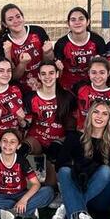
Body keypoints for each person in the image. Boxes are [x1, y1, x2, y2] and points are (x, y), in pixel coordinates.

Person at [53, 101, 110, 219]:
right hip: (78, 186)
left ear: (109, 120)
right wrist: (78, 168)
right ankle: (82, 215)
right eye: (96, 112)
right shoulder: (74, 137)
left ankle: (68, 207)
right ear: (89, 115)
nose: (99, 116)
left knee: (106, 172)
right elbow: (59, 164)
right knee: (64, 170)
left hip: (101, 198)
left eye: (104, 114)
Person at [0, 129, 55, 219]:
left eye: (12, 142)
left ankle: (12, 212)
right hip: (1, 197)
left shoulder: (21, 161)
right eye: (4, 141)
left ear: (18, 146)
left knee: (48, 191)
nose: (8, 144)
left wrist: (23, 200)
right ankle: (24, 211)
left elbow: (36, 184)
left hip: (20, 194)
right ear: (0, 143)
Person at [22, 61, 73, 192]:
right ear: (38, 75)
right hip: (37, 140)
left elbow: (72, 126)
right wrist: (21, 121)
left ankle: (51, 185)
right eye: (43, 74)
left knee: (50, 185)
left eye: (51, 73)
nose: (47, 77)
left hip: (56, 143)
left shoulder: (67, 97)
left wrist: (63, 142)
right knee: (24, 148)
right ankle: (21, 185)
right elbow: (25, 124)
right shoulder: (31, 97)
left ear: (57, 74)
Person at [52, 7, 107, 92]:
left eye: (81, 19)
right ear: (68, 23)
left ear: (88, 22)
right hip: (67, 89)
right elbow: (57, 72)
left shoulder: (97, 41)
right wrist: (59, 68)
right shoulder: (61, 44)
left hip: (92, 86)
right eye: (73, 20)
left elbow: (105, 69)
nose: (77, 22)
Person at [0, 3, 52, 90]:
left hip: (44, 84)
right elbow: (12, 77)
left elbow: (49, 62)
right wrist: (22, 64)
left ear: (23, 17)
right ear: (5, 24)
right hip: (20, 90)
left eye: (18, 16)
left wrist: (48, 53)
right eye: (10, 19)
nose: (16, 21)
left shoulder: (38, 31)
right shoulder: (4, 42)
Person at [0, 57, 28, 142]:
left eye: (9, 70)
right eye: (1, 70)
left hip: (17, 141)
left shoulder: (17, 88)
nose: (6, 74)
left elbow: (26, 126)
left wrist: (22, 121)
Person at [73, 56, 110, 131]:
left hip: (105, 135)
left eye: (102, 72)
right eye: (94, 72)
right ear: (89, 73)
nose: (97, 76)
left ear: (108, 73)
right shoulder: (80, 88)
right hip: (82, 133)